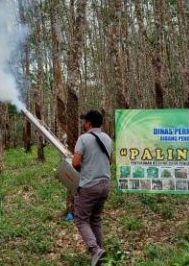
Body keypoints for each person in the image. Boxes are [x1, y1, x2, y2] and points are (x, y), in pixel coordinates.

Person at [72, 110, 113, 266]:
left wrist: (86, 167)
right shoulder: (108, 139)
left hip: (89, 186)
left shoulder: (83, 139)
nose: (84, 124)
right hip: (105, 184)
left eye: (85, 122)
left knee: (81, 220)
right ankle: (100, 253)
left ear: (89, 123)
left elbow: (75, 163)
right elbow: (110, 161)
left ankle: (95, 250)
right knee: (95, 219)